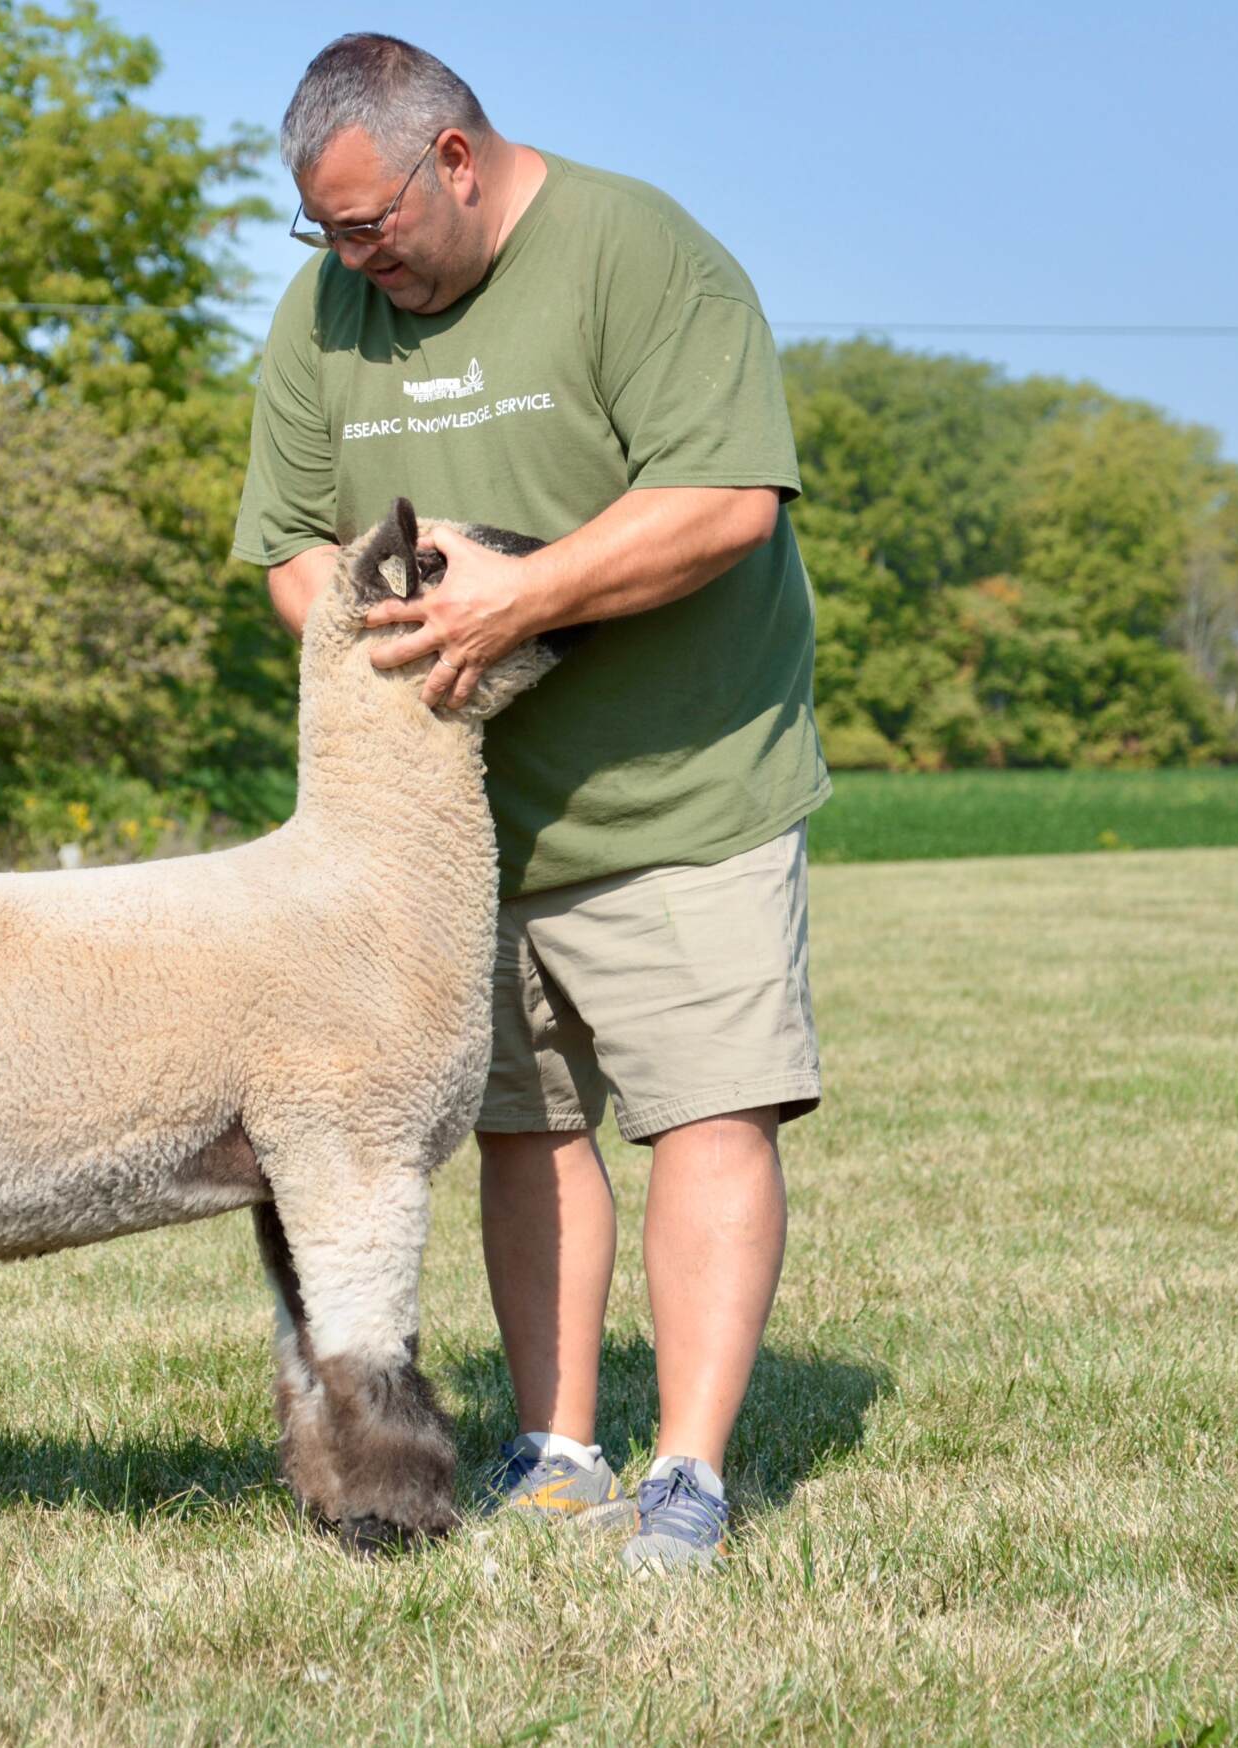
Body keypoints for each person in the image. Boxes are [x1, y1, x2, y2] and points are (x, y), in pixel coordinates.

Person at [231, 32, 829, 1574]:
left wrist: (519, 598)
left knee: (708, 1112)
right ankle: (558, 1450)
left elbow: (725, 501)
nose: (352, 260)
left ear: (455, 157)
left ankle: (688, 1475)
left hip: (678, 787)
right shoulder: (325, 309)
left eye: (370, 225)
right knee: (523, 1126)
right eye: (324, 232)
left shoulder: (639, 252)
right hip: (450, 836)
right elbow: (291, 542)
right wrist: (374, 647)